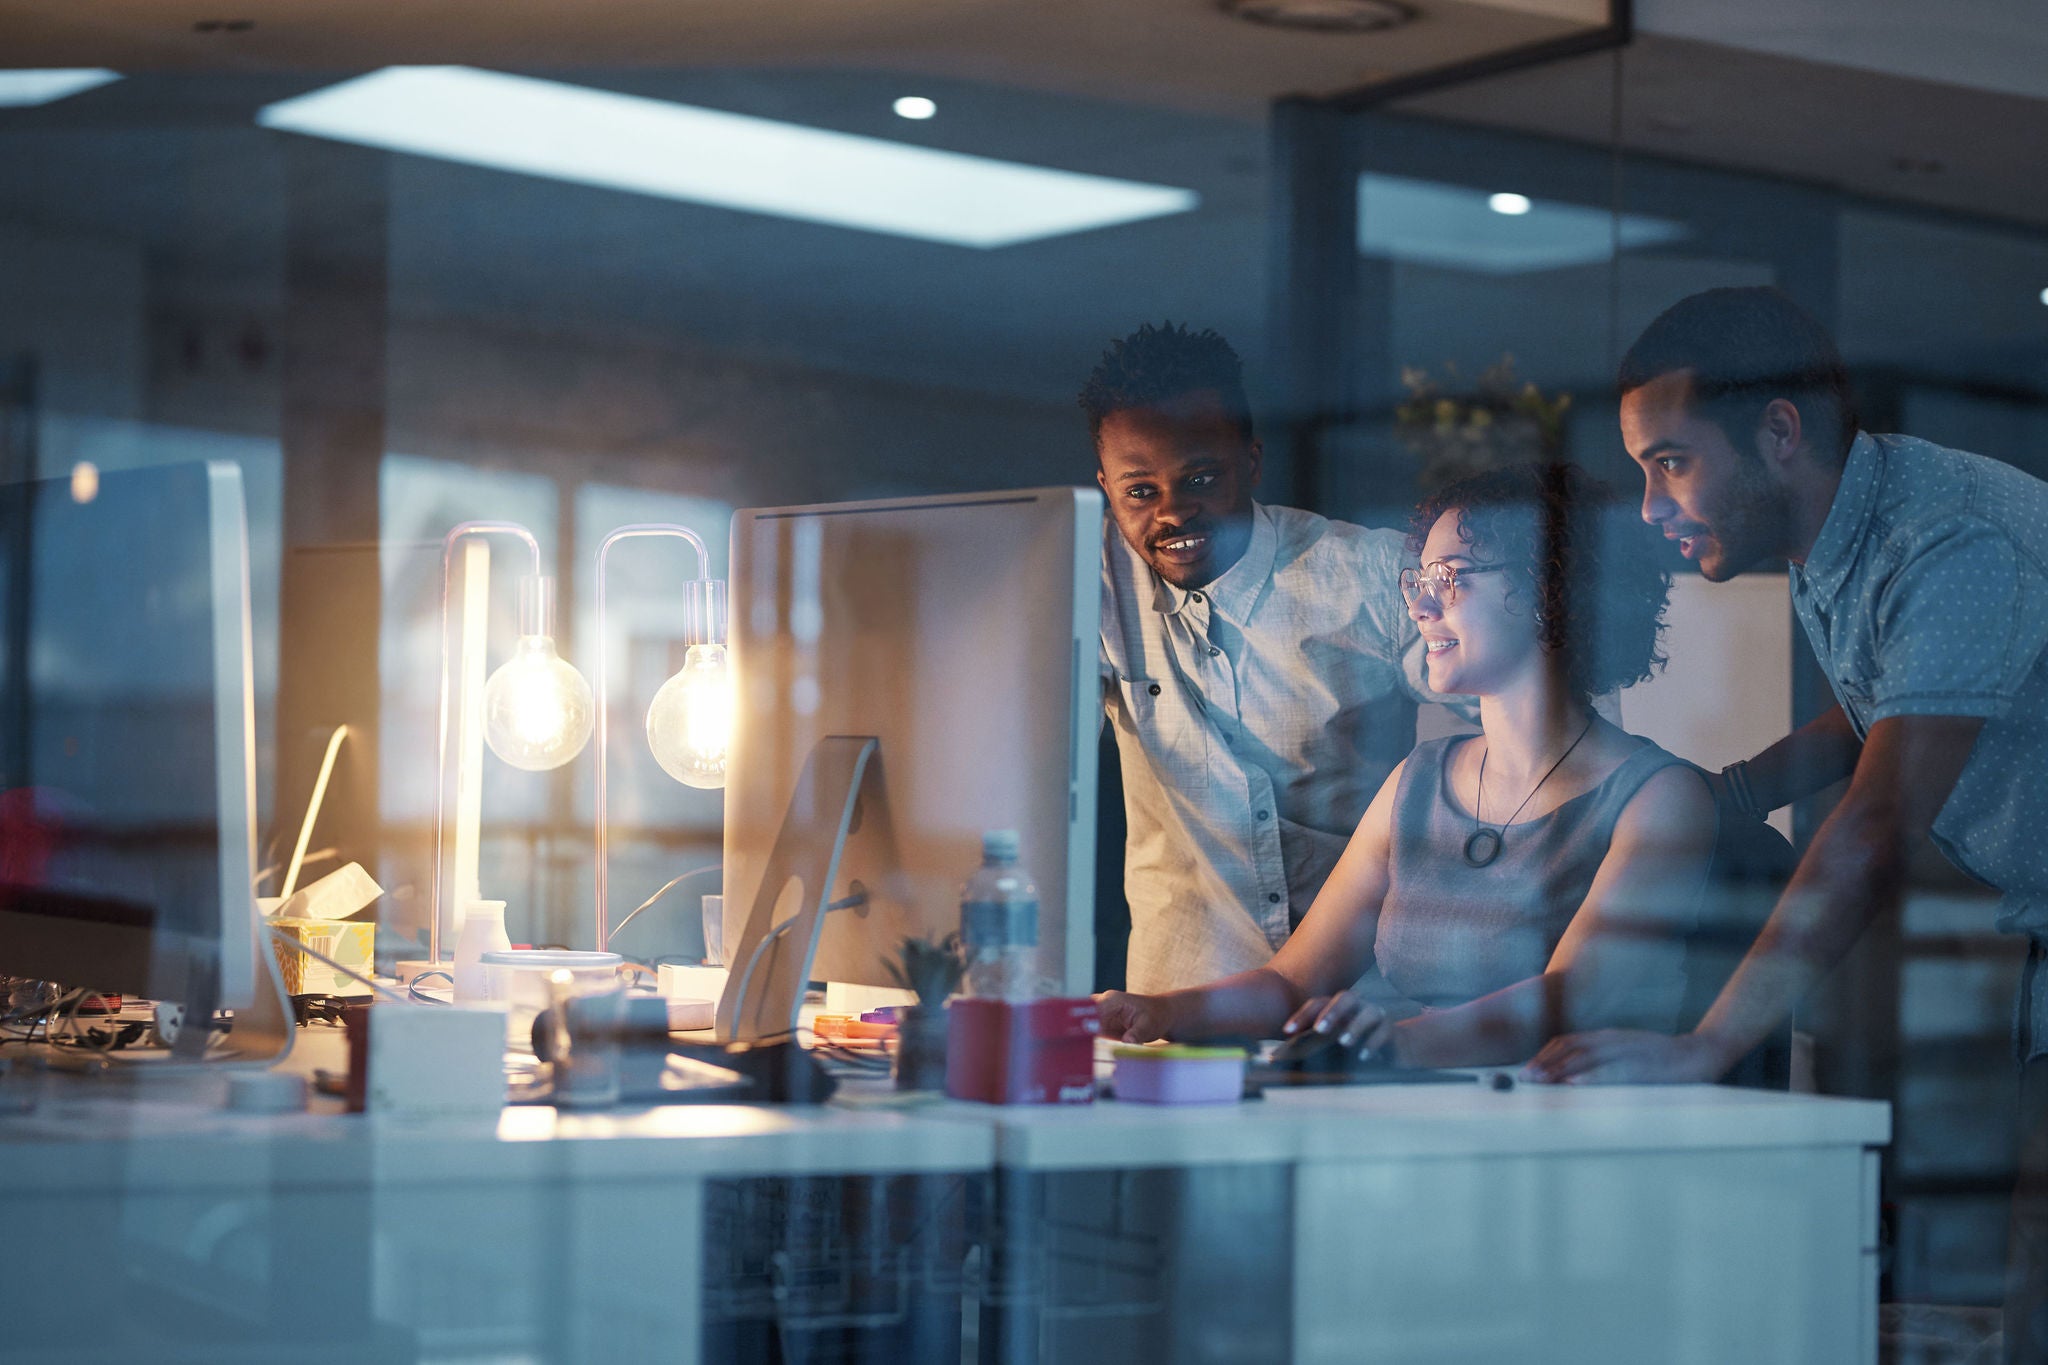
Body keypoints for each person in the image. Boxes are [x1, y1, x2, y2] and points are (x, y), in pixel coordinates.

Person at [1517, 286, 2048, 1358]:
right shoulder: (1847, 527)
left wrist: (1706, 1046)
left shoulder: (1947, 543)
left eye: (1668, 461)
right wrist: (1718, 796)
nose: (1651, 505)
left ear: (1776, 432)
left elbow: (1876, 823)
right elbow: (1883, 710)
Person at [1095, 462, 1724, 1068]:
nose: (1420, 608)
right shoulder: (1418, 780)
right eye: (1418, 582)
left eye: (1451, 578)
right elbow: (1291, 980)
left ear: (1548, 588)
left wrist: (1399, 1044)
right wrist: (1159, 1011)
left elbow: (1572, 997)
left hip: (1575, 1135)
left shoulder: (1661, 797)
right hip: (1428, 1112)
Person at [1087, 322, 1458, 993]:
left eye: (1201, 477)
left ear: (1252, 463)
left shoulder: (1368, 576)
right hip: (1173, 1012)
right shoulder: (1093, 582)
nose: (1173, 513)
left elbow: (1528, 727)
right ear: (1106, 488)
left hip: (1358, 1007)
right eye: (1140, 491)